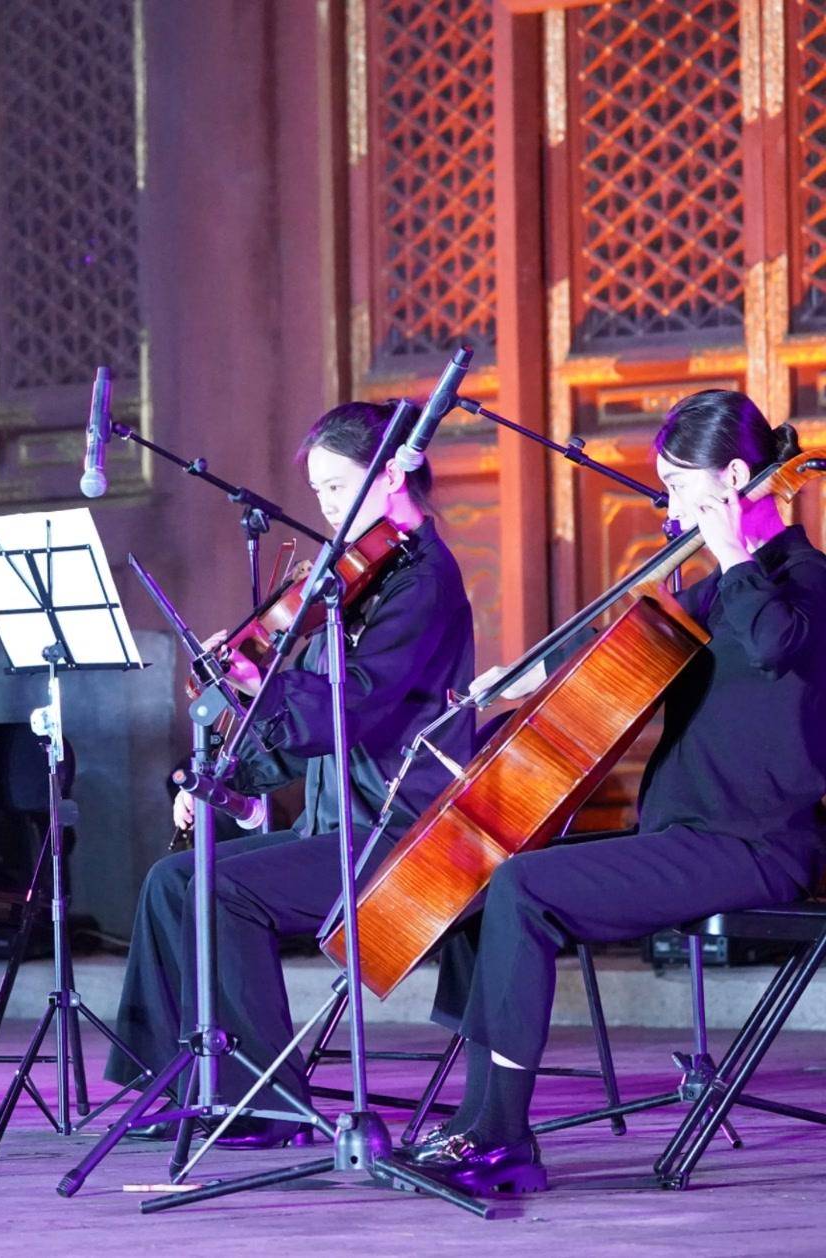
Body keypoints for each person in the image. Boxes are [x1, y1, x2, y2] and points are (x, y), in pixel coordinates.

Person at [403, 390, 826, 1196]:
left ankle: (503, 1139)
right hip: (687, 837)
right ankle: (475, 1125)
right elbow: (625, 664)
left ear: (735, 477)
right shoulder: (717, 595)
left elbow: (772, 644)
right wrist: (530, 683)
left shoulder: (806, 585)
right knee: (500, 879)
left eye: (676, 485)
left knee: (525, 887)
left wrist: (734, 552)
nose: (666, 505)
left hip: (759, 848)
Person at [103, 401, 476, 1146]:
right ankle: (177, 1078)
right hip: (335, 827)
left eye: (339, 487)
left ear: (396, 474)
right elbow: (297, 724)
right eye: (321, 494)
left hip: (400, 837)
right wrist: (228, 779)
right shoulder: (350, 586)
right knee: (173, 878)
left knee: (222, 886)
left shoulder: (423, 582)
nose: (328, 510)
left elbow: (352, 711)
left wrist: (256, 681)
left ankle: (264, 1101)